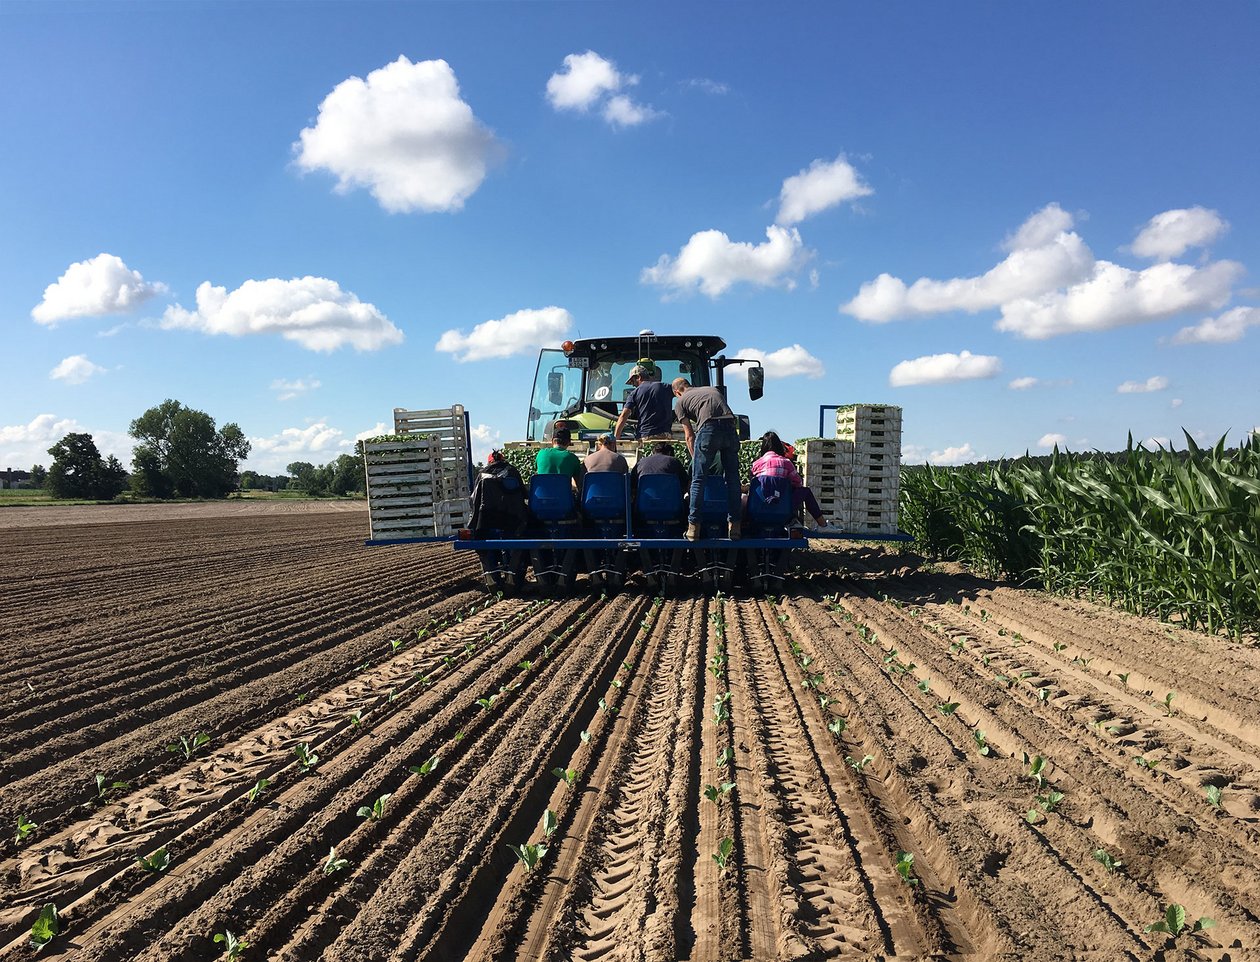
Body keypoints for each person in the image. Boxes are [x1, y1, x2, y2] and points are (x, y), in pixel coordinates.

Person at [671, 378, 742, 540]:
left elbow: (689, 435)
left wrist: (696, 459)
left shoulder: (680, 402)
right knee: (732, 479)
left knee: (698, 480)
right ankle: (735, 527)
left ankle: (693, 528)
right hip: (730, 427)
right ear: (689, 384)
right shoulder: (713, 390)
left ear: (677, 392)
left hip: (709, 428)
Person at [749, 431, 828, 528]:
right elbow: (798, 483)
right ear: (779, 446)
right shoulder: (786, 463)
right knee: (806, 492)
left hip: (759, 508)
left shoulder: (756, 464)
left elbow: (752, 484)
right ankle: (823, 524)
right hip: (782, 507)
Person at [469, 450, 529, 535]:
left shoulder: (482, 475)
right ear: (503, 460)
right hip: (512, 517)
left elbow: (474, 498)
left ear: (489, 462)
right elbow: (524, 494)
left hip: (487, 517)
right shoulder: (512, 471)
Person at [614, 362, 674, 441]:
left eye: (632, 381)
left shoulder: (634, 393)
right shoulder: (665, 387)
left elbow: (624, 416)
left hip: (645, 436)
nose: (632, 385)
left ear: (638, 377)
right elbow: (681, 391)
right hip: (666, 436)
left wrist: (615, 439)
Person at [535, 427, 585, 494]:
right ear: (569, 442)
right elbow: (579, 484)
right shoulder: (572, 458)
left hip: (541, 500)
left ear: (552, 441)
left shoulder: (541, 454)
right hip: (564, 501)